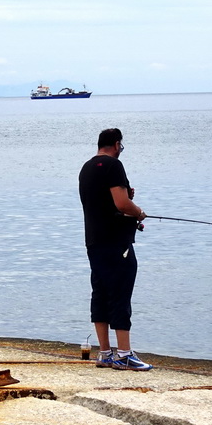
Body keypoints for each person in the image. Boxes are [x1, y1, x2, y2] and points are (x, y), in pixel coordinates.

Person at [78, 128, 153, 371]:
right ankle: (124, 354)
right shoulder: (113, 166)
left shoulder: (86, 168)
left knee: (100, 292)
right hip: (116, 242)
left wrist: (124, 202)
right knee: (121, 292)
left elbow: (102, 203)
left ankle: (105, 353)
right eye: (121, 146)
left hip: (94, 240)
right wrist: (138, 211)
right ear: (117, 144)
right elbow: (121, 204)